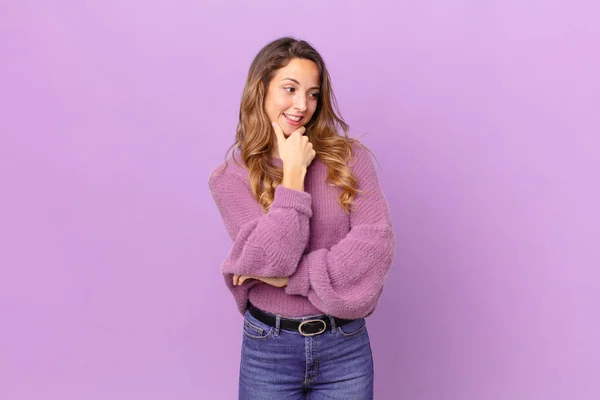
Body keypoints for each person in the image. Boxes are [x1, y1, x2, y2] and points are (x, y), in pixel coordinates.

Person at [208, 37, 395, 400]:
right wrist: (293, 174)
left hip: (345, 346)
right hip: (268, 349)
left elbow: (376, 245)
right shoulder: (230, 178)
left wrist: (283, 277)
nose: (302, 105)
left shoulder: (350, 158)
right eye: (290, 89)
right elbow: (273, 258)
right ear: (261, 89)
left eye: (312, 93)